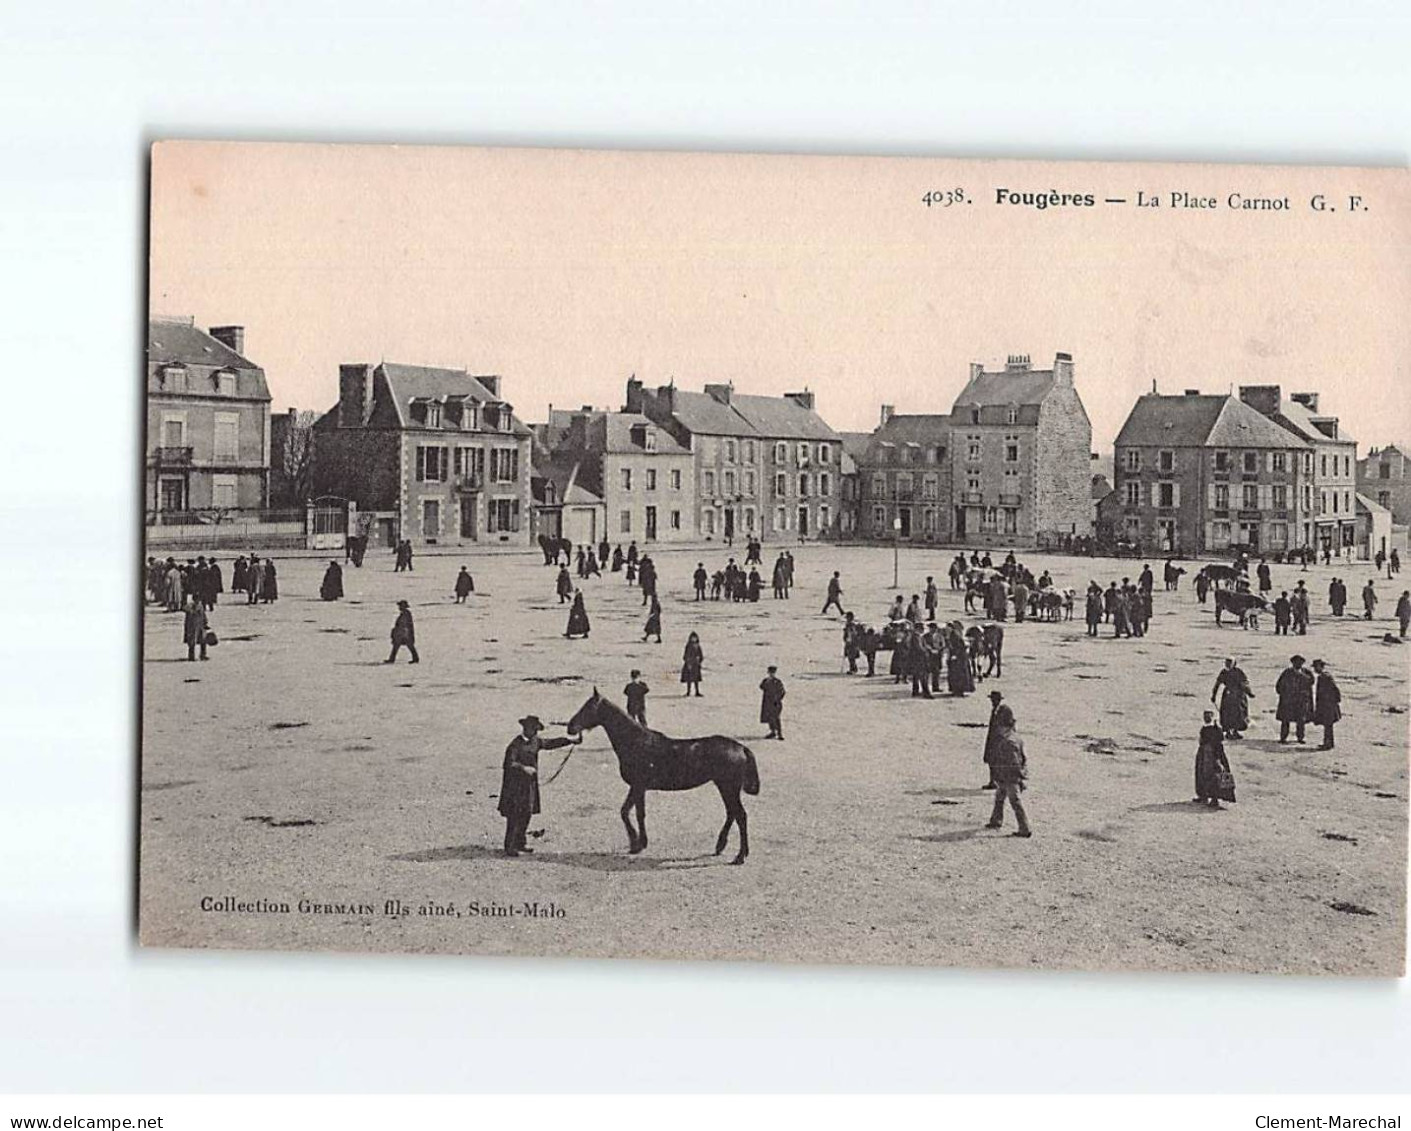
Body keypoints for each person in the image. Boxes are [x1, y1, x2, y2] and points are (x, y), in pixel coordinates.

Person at [498, 715, 579, 857]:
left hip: (529, 786)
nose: (535, 732)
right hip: (515, 787)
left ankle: (520, 843)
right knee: (514, 815)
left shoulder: (535, 741)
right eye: (533, 729)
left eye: (536, 730)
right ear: (525, 729)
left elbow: (550, 743)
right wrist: (524, 768)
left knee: (527, 813)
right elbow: (508, 764)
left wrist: (570, 741)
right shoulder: (515, 745)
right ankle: (509, 846)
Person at [983, 704, 1031, 837]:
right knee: (999, 797)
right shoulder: (1014, 737)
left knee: (1015, 801)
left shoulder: (1008, 742)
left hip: (1009, 777)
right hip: (1006, 776)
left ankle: (1025, 828)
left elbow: (1014, 762)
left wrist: (1019, 778)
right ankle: (996, 820)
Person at [1194, 710, 1234, 809]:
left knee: (1211, 776)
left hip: (1211, 755)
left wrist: (1218, 757)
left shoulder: (1211, 729)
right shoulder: (1211, 729)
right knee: (1206, 775)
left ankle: (1212, 798)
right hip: (1208, 754)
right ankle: (1205, 796)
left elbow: (1215, 743)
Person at [1275, 654, 1314, 744]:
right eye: (1296, 662)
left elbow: (1311, 682)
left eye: (1300, 662)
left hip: (1301, 702)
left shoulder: (1306, 672)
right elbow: (1279, 686)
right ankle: (1283, 738)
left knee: (1301, 721)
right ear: (1292, 663)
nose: (1298, 664)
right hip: (1288, 701)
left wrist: (1301, 676)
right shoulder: (1287, 673)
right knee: (1285, 720)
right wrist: (1284, 696)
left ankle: (1300, 738)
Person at [1211, 658, 1254, 739]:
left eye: (1229, 663)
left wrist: (1249, 693)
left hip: (1238, 696)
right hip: (1230, 696)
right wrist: (1213, 695)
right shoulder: (1224, 672)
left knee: (1238, 714)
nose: (1227, 664)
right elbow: (1217, 684)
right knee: (1228, 713)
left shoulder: (1238, 672)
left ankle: (1234, 731)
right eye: (1226, 663)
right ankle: (1228, 732)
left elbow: (1244, 684)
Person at [1311, 659, 1341, 751]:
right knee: (1327, 725)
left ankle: (1328, 744)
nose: (1315, 669)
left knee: (1328, 724)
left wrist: (1333, 701)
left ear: (1321, 667)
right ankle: (1328, 743)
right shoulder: (1324, 676)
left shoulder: (1325, 676)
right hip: (1327, 704)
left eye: (1316, 667)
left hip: (1327, 705)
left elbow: (1334, 689)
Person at [981, 689, 1004, 790]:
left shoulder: (1000, 712)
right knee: (992, 760)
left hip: (997, 739)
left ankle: (995, 781)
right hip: (993, 738)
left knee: (995, 760)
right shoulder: (995, 710)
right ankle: (993, 780)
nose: (992, 702)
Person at [759, 665, 786, 739]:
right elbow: (761, 686)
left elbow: (782, 691)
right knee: (770, 718)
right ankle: (773, 732)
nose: (771, 674)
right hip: (768, 703)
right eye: (770, 673)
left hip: (776, 703)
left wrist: (778, 699)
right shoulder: (766, 681)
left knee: (776, 718)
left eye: (772, 673)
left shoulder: (777, 682)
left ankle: (779, 734)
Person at [182, 594, 209, 662]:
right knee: (192, 642)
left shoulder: (200, 606)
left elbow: (203, 616)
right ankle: (191, 656)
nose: (198, 601)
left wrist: (205, 623)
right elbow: (187, 615)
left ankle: (203, 655)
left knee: (203, 640)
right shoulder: (190, 607)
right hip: (192, 627)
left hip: (200, 626)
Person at [681, 632, 704, 696]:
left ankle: (697, 691)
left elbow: (700, 655)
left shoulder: (698, 646)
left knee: (696, 679)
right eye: (692, 637)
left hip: (696, 665)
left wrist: (699, 660)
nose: (694, 639)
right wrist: (688, 662)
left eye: (695, 637)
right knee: (689, 679)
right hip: (689, 665)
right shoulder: (688, 646)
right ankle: (688, 692)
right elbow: (685, 655)